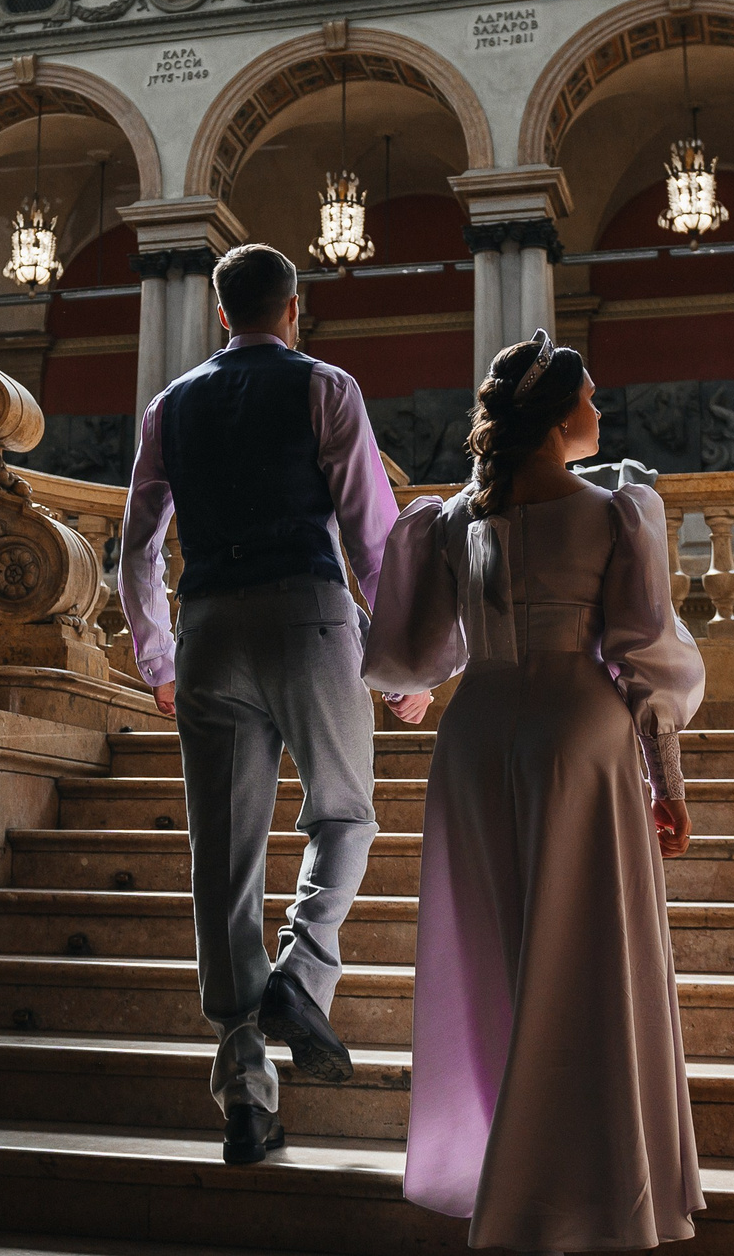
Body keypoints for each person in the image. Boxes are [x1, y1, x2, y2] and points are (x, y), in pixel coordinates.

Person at [364, 331, 707, 1251]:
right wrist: (667, 780)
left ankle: (504, 1166)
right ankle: (592, 1182)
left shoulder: (450, 521)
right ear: (559, 417)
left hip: (477, 735)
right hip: (577, 736)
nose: (599, 407)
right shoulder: (616, 512)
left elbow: (410, 658)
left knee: (497, 956)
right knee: (589, 962)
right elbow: (645, 657)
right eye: (589, 395)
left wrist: (418, 684)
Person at [119, 243, 431, 1166]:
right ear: (294, 308)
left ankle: (246, 1097)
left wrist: (158, 656)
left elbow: (137, 547)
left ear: (222, 313)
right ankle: (303, 969)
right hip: (308, 614)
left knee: (224, 859)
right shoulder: (327, 387)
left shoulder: (170, 404)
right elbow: (373, 539)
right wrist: (404, 668)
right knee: (345, 814)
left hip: (210, 627)